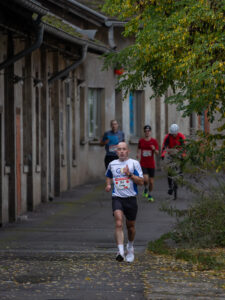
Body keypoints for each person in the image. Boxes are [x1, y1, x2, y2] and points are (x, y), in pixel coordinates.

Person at [105, 142, 144, 262]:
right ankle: (120, 251)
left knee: (130, 227)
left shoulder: (134, 164)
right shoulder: (112, 164)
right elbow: (108, 175)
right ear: (116, 152)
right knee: (118, 222)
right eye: (119, 149)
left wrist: (130, 175)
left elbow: (141, 181)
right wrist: (108, 184)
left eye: (124, 149)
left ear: (128, 151)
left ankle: (130, 247)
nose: (121, 151)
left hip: (131, 199)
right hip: (117, 198)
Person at [161, 124, 186, 195]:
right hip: (171, 153)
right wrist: (163, 154)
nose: (173, 136)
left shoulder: (181, 136)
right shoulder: (168, 137)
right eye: (172, 134)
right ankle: (170, 187)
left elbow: (184, 147)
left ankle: (181, 175)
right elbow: (164, 146)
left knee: (182, 163)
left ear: (177, 132)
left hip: (179, 152)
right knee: (169, 171)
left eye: (175, 134)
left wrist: (183, 155)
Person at [137, 125, 159, 202]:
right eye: (146, 131)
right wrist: (138, 154)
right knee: (145, 179)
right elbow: (139, 148)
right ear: (144, 132)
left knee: (151, 182)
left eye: (148, 131)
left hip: (151, 164)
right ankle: (146, 188)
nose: (147, 132)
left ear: (150, 132)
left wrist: (154, 149)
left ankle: (149, 194)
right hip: (143, 163)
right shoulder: (141, 141)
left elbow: (157, 153)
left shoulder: (154, 141)